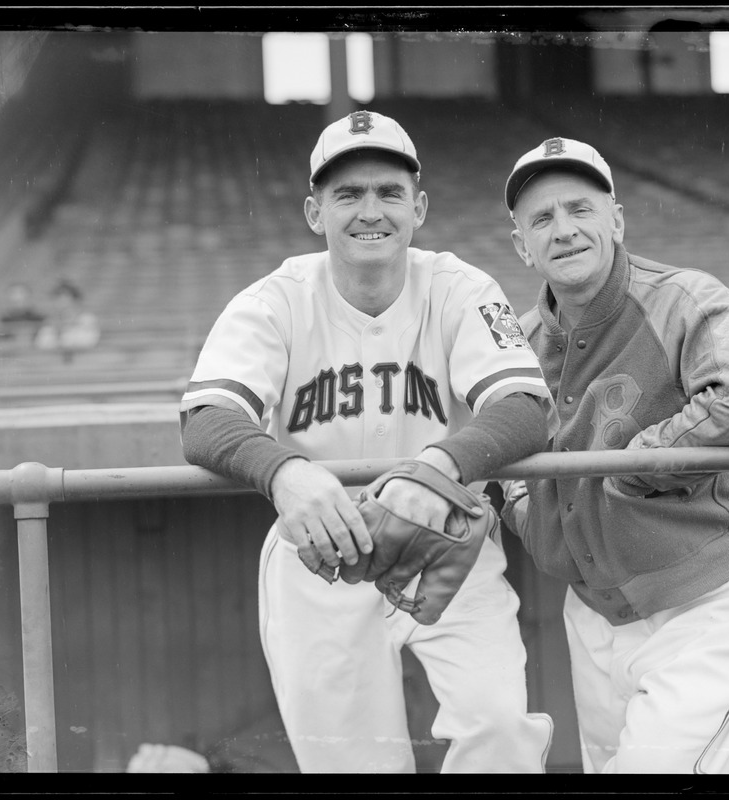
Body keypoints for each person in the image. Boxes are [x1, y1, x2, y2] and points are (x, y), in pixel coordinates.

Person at [179, 110, 558, 774]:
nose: (369, 210)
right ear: (313, 211)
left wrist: (435, 465)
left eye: (387, 192)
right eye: (347, 194)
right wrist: (284, 472)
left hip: (443, 539)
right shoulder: (273, 300)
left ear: (418, 206)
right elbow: (208, 416)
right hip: (321, 557)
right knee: (351, 768)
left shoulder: (459, 287)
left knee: (500, 731)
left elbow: (524, 404)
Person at [498, 136, 729, 774]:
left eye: (581, 209)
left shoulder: (683, 297)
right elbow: (493, 449)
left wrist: (637, 464)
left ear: (617, 219)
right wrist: (530, 516)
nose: (565, 230)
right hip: (593, 610)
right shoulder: (515, 342)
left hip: (704, 600)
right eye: (542, 219)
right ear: (522, 245)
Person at [34, 279, 101, 353]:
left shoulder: (87, 319)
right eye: (58, 299)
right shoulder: (50, 322)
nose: (61, 303)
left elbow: (88, 342)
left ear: (75, 300)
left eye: (65, 298)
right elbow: (41, 344)